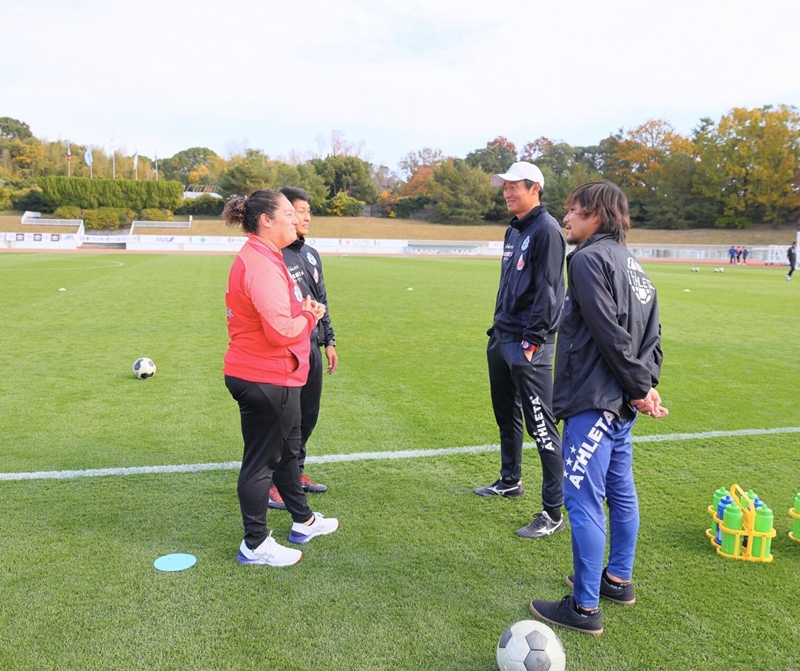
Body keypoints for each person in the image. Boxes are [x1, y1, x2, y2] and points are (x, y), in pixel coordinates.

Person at [529, 181, 667, 636]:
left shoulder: (587, 259)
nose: (565, 218)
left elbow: (608, 331)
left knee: (583, 500)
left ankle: (585, 608)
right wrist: (646, 388)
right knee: (621, 495)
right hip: (621, 402)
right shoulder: (636, 267)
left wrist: (635, 388)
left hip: (595, 399)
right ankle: (617, 580)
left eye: (573, 210)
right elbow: (654, 338)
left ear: (597, 216)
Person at [223, 189, 339, 566]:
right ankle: (254, 544)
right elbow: (279, 331)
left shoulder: (267, 256)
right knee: (261, 464)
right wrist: (310, 316)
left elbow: (276, 313)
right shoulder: (259, 262)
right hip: (264, 376)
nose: (296, 220)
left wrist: (301, 308)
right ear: (266, 221)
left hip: (278, 375)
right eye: (289, 214)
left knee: (289, 452)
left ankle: (303, 521)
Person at [475, 161, 567, 539]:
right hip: (502, 337)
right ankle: (510, 480)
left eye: (515, 186)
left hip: (530, 343)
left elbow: (549, 290)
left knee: (541, 427)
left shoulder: (547, 230)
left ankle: (552, 511)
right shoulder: (513, 231)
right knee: (505, 415)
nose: (508, 192)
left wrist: (532, 341)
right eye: (505, 187)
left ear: (535, 189)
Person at [267, 186, 338, 510]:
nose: (306, 216)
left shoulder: (310, 253)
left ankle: (295, 474)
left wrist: (330, 341)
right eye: (299, 211)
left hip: (312, 346)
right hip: (288, 349)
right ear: (285, 214)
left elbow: (321, 300)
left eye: (309, 210)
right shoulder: (274, 256)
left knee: (307, 417)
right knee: (285, 421)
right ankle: (273, 484)